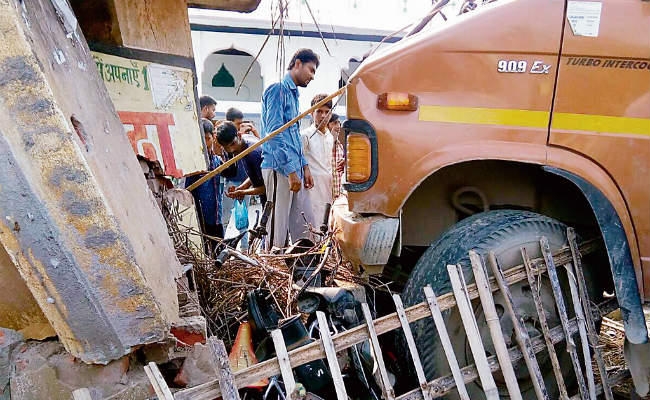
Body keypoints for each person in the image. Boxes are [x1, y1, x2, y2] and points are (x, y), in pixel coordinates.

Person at [260, 48, 319, 248]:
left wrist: (304, 166)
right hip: (279, 167)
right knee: (277, 228)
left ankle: (300, 265)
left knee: (303, 225)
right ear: (297, 64)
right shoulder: (278, 89)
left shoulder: (293, 96)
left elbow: (293, 135)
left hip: (294, 168)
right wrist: (291, 170)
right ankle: (271, 264)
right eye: (311, 70)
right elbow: (274, 133)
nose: (312, 76)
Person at [185, 118, 225, 254]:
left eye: (207, 139)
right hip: (201, 216)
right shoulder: (194, 162)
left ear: (213, 137)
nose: (205, 143)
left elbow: (232, 172)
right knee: (204, 249)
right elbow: (188, 191)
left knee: (219, 248)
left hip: (216, 214)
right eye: (202, 139)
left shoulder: (217, 159)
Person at [301, 94, 334, 224]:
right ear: (311, 113)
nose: (323, 116)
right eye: (319, 111)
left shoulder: (330, 137)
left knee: (326, 222)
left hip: (328, 185)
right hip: (312, 187)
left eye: (327, 112)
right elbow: (300, 159)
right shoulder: (305, 135)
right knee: (312, 222)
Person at [328, 113, 345, 200]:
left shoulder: (340, 145)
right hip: (328, 190)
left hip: (338, 189)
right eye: (335, 123)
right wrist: (333, 139)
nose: (338, 126)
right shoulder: (325, 142)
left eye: (339, 123)